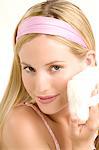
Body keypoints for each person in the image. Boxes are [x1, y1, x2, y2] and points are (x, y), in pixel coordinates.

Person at [0, 0, 99, 149]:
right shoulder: (20, 123)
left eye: (55, 67)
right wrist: (81, 145)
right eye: (29, 69)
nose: (40, 87)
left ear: (88, 62)